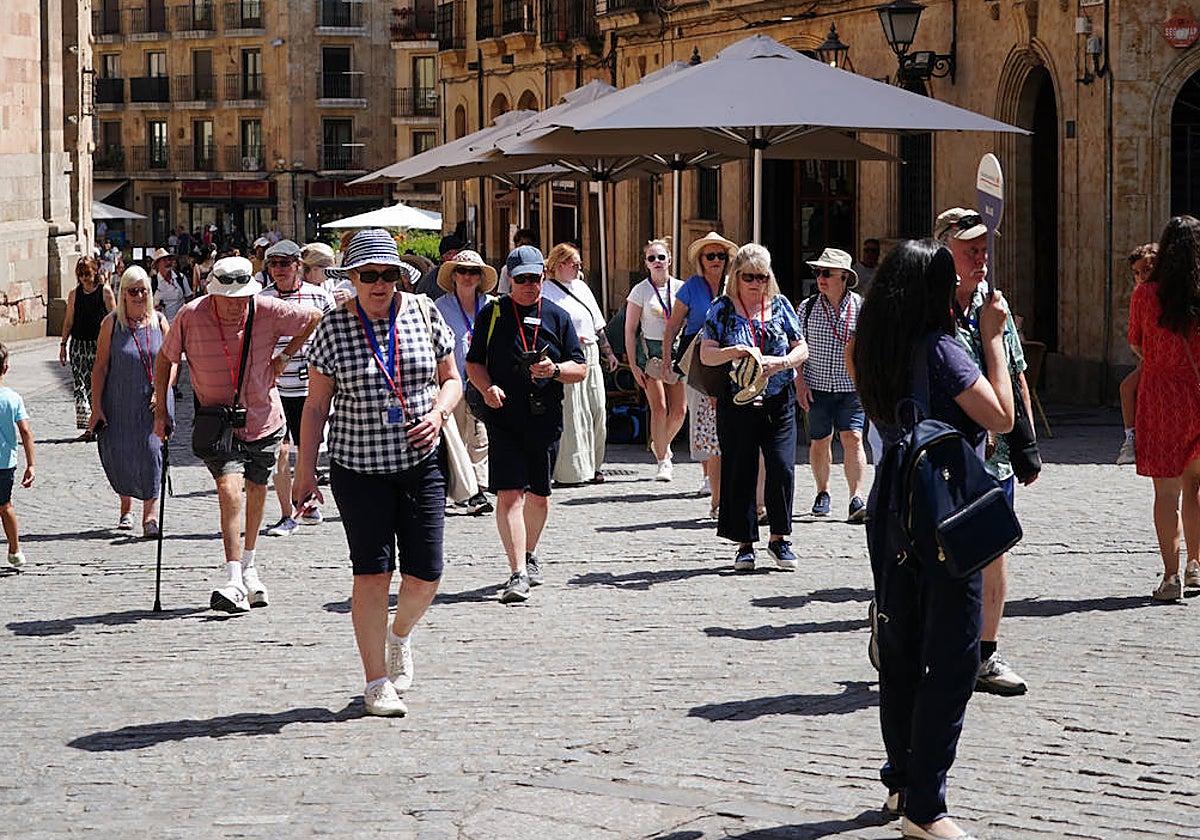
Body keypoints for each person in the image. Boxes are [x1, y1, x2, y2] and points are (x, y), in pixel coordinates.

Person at [852, 239, 1014, 840]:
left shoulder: (868, 347)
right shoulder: (942, 349)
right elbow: (999, 415)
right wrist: (993, 338)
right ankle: (926, 805)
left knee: (898, 650)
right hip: (945, 509)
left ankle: (901, 781)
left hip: (891, 502)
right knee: (951, 658)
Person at [293, 228, 462, 717]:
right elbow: (316, 406)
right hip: (358, 468)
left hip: (420, 461)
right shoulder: (332, 327)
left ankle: (399, 635)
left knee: (427, 573)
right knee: (372, 573)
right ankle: (375, 682)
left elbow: (450, 380)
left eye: (388, 275)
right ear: (353, 279)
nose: (380, 285)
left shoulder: (424, 313)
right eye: (369, 276)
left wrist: (439, 413)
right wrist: (306, 471)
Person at [153, 256, 322, 615]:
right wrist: (162, 410)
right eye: (227, 298)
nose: (234, 305)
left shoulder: (267, 309)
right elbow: (165, 359)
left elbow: (313, 318)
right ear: (213, 292)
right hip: (217, 424)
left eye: (240, 298)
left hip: (264, 418)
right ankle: (232, 578)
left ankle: (249, 565)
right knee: (230, 490)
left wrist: (285, 356)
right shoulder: (191, 315)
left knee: (257, 490)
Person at [936, 207, 1036, 697]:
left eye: (984, 248)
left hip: (992, 458)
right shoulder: (926, 308)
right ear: (944, 249)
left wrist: (1027, 443)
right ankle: (905, 629)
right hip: (941, 458)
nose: (981, 257)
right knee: (936, 557)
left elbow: (1015, 371)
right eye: (970, 248)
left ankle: (985, 654)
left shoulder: (991, 302)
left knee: (994, 554)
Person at [465, 244, 586, 604]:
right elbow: (474, 364)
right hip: (504, 418)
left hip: (545, 418)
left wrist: (555, 370)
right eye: (523, 280)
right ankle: (517, 572)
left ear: (544, 277)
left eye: (536, 278)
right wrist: (487, 389)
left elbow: (579, 368)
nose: (530, 285)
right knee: (509, 494)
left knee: (540, 497)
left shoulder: (557, 316)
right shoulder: (493, 314)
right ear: (510, 280)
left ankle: (529, 554)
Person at [699, 243, 808, 573]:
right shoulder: (722, 309)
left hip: (777, 398)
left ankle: (779, 538)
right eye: (749, 276)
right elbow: (706, 354)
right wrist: (734, 351)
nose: (756, 283)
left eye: (762, 277)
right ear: (737, 276)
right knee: (740, 470)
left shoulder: (780, 305)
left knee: (782, 467)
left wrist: (784, 361)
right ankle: (745, 544)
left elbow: (800, 346)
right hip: (738, 401)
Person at [1129, 215, 1200, 602]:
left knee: (1166, 493)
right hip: (1198, 395)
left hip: (1160, 396)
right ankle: (1196, 566)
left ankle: (1171, 577)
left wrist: (1160, 358)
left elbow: (1136, 343)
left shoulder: (1145, 295)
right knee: (1195, 487)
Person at [258, 240, 336, 537]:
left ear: (298, 266)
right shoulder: (261, 298)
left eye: (285, 263)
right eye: (273, 264)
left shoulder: (319, 297)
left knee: (307, 450)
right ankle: (287, 513)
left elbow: (333, 338)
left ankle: (305, 499)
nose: (279, 269)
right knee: (280, 450)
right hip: (273, 385)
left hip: (310, 385)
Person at [88, 266, 173, 536]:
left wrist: (162, 391)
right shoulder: (112, 324)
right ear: (123, 293)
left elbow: (173, 363)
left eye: (142, 290)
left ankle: (150, 516)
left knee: (151, 453)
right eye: (132, 291)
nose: (138, 295)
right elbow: (100, 367)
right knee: (121, 454)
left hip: (153, 402)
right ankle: (126, 508)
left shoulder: (159, 321)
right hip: (119, 400)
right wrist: (96, 406)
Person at [665, 231, 736, 516]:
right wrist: (669, 357)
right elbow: (672, 326)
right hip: (697, 358)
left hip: (728, 355)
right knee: (701, 415)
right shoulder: (691, 287)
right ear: (701, 260)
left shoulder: (735, 284)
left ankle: (720, 481)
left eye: (721, 255)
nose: (716, 260)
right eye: (711, 256)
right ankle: (709, 476)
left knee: (725, 418)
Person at [796, 247, 868, 522]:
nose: (821, 278)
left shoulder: (860, 307)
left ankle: (856, 496)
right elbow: (797, 347)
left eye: (827, 273)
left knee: (853, 438)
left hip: (852, 388)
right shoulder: (807, 307)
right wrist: (800, 383)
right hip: (818, 386)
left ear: (844, 277)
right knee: (819, 441)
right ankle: (822, 491)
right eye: (818, 272)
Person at [542, 242, 619, 485]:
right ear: (560, 264)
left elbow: (598, 324)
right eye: (575, 264)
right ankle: (571, 471)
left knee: (597, 410)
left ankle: (595, 465)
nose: (579, 268)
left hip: (592, 354)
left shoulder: (582, 288)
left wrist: (609, 352)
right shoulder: (546, 291)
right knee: (575, 414)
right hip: (568, 356)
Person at [434, 248, 496, 514]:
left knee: (481, 437)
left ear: (481, 277)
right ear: (454, 276)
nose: (468, 276)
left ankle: (478, 490)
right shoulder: (439, 308)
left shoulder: (493, 306)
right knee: (455, 437)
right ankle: (459, 490)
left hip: (484, 380)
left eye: (473, 272)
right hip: (453, 382)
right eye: (462, 271)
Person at [626, 238, 687, 481]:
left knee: (680, 411)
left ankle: (660, 444)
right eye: (652, 258)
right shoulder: (640, 290)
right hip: (650, 352)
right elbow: (630, 330)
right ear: (646, 264)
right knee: (659, 407)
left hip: (675, 350)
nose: (657, 262)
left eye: (661, 257)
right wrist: (632, 364)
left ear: (669, 260)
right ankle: (663, 461)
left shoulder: (682, 288)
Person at [60, 256, 116, 437]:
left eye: (87, 273)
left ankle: (101, 420)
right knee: (80, 386)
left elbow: (114, 320)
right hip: (78, 345)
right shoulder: (74, 294)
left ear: (95, 271)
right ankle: (88, 427)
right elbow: (68, 321)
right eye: (80, 274)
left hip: (99, 345)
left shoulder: (105, 292)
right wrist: (63, 344)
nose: (84, 278)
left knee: (98, 384)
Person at [1117, 242, 1158, 465]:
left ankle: (1130, 438)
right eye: (1136, 273)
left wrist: (1148, 358)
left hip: (1152, 360)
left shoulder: (1142, 295)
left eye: (1146, 270)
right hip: (1156, 358)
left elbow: (1134, 341)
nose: (1141, 277)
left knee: (1127, 389)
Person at [0, 343, 34, 570]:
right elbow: (25, 431)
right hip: (5, 463)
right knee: (5, 505)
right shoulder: (12, 398)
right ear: (6, 368)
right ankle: (14, 548)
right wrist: (31, 464)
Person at [414, 233, 464, 300]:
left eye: (457, 253)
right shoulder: (430, 280)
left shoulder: (469, 274)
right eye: (449, 253)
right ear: (442, 258)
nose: (454, 257)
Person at [150, 248, 191, 324]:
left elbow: (189, 299)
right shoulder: (152, 282)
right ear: (157, 265)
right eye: (164, 260)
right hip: (160, 325)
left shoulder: (180, 278)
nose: (168, 262)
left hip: (180, 323)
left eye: (169, 259)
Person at [496, 227, 539, 295]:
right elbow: (502, 293)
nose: (525, 248)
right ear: (516, 246)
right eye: (520, 279)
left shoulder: (540, 268)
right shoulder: (507, 269)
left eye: (529, 244)